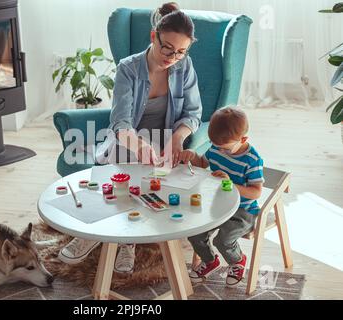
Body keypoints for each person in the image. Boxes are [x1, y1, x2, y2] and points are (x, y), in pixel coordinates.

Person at [59, 2, 203, 274]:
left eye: (181, 52)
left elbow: (193, 113)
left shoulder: (185, 67)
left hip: (164, 140)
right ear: (153, 37)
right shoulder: (129, 68)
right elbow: (121, 122)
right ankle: (94, 233)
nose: (173, 57)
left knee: (143, 174)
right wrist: (138, 144)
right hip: (128, 138)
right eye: (167, 48)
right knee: (124, 165)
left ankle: (127, 240)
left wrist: (177, 139)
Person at [179, 107, 264, 286]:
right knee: (194, 233)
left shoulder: (252, 160)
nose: (219, 151)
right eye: (215, 146)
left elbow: (256, 191)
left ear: (243, 139)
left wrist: (231, 184)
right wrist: (192, 155)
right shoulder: (217, 148)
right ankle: (211, 261)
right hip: (218, 204)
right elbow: (203, 163)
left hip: (244, 210)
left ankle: (237, 261)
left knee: (223, 240)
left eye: (224, 149)